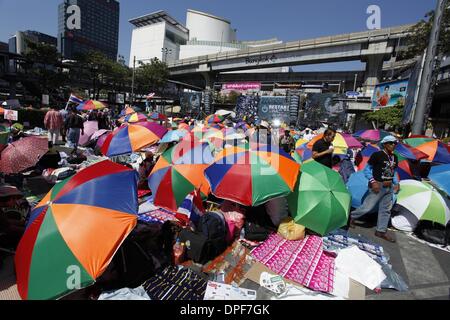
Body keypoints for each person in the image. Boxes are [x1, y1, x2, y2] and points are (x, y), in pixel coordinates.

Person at [349, 136, 400, 243]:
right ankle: (351, 217)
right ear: (385, 144)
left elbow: (393, 171)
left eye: (395, 143)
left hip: (389, 186)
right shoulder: (377, 155)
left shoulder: (395, 157)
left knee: (385, 210)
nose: (393, 145)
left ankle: (380, 231)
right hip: (378, 185)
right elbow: (367, 170)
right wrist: (373, 182)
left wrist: (396, 183)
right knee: (368, 207)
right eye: (391, 143)